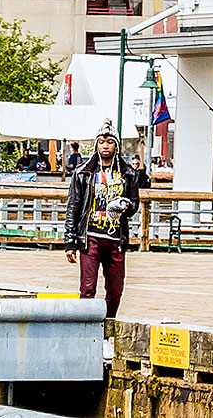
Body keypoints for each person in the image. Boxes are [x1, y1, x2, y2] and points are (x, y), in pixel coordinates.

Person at [63, 126, 145, 318]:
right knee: (87, 289)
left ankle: (106, 330)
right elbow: (73, 206)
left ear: (116, 145)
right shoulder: (83, 173)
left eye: (109, 142)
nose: (105, 146)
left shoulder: (128, 174)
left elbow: (135, 205)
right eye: (102, 142)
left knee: (115, 290)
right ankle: (86, 333)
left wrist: (125, 206)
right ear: (96, 145)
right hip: (90, 236)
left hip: (116, 237)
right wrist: (70, 242)